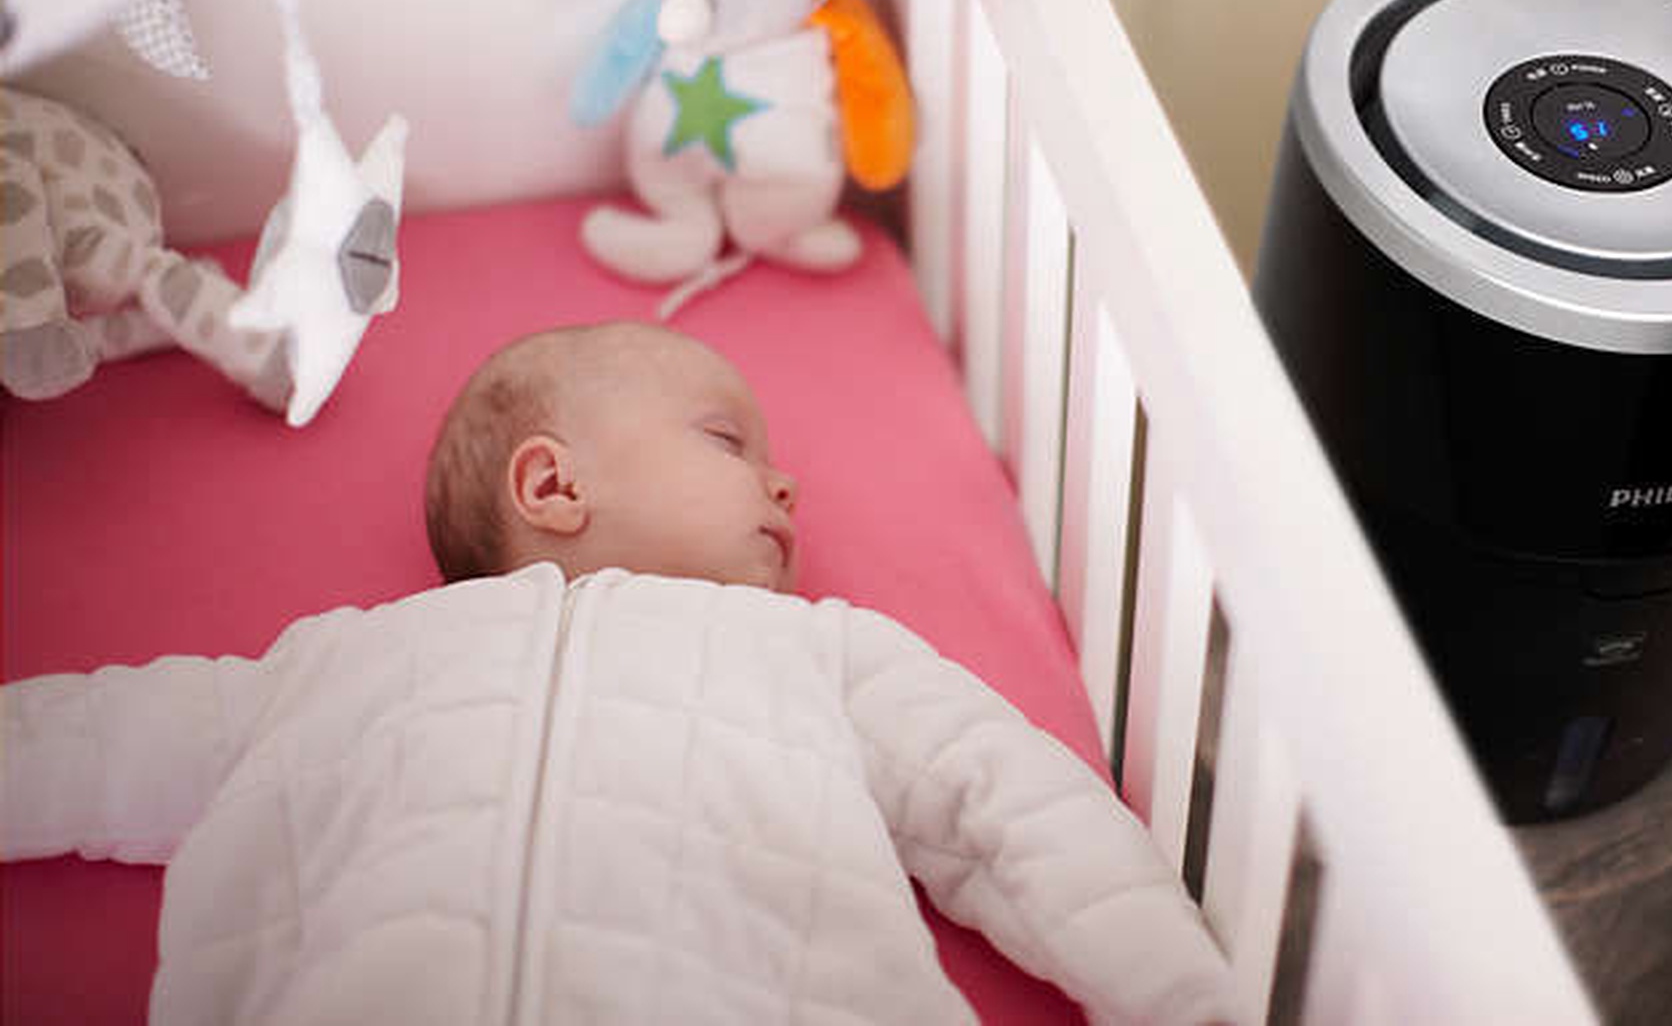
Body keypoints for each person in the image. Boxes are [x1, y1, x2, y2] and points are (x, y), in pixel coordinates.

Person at [2, 321, 1239, 1026]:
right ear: (552, 484)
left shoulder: (823, 652)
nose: (784, 481)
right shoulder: (340, 663)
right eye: (726, 439)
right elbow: (103, 742)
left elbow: (1006, 804)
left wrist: (1183, 998)